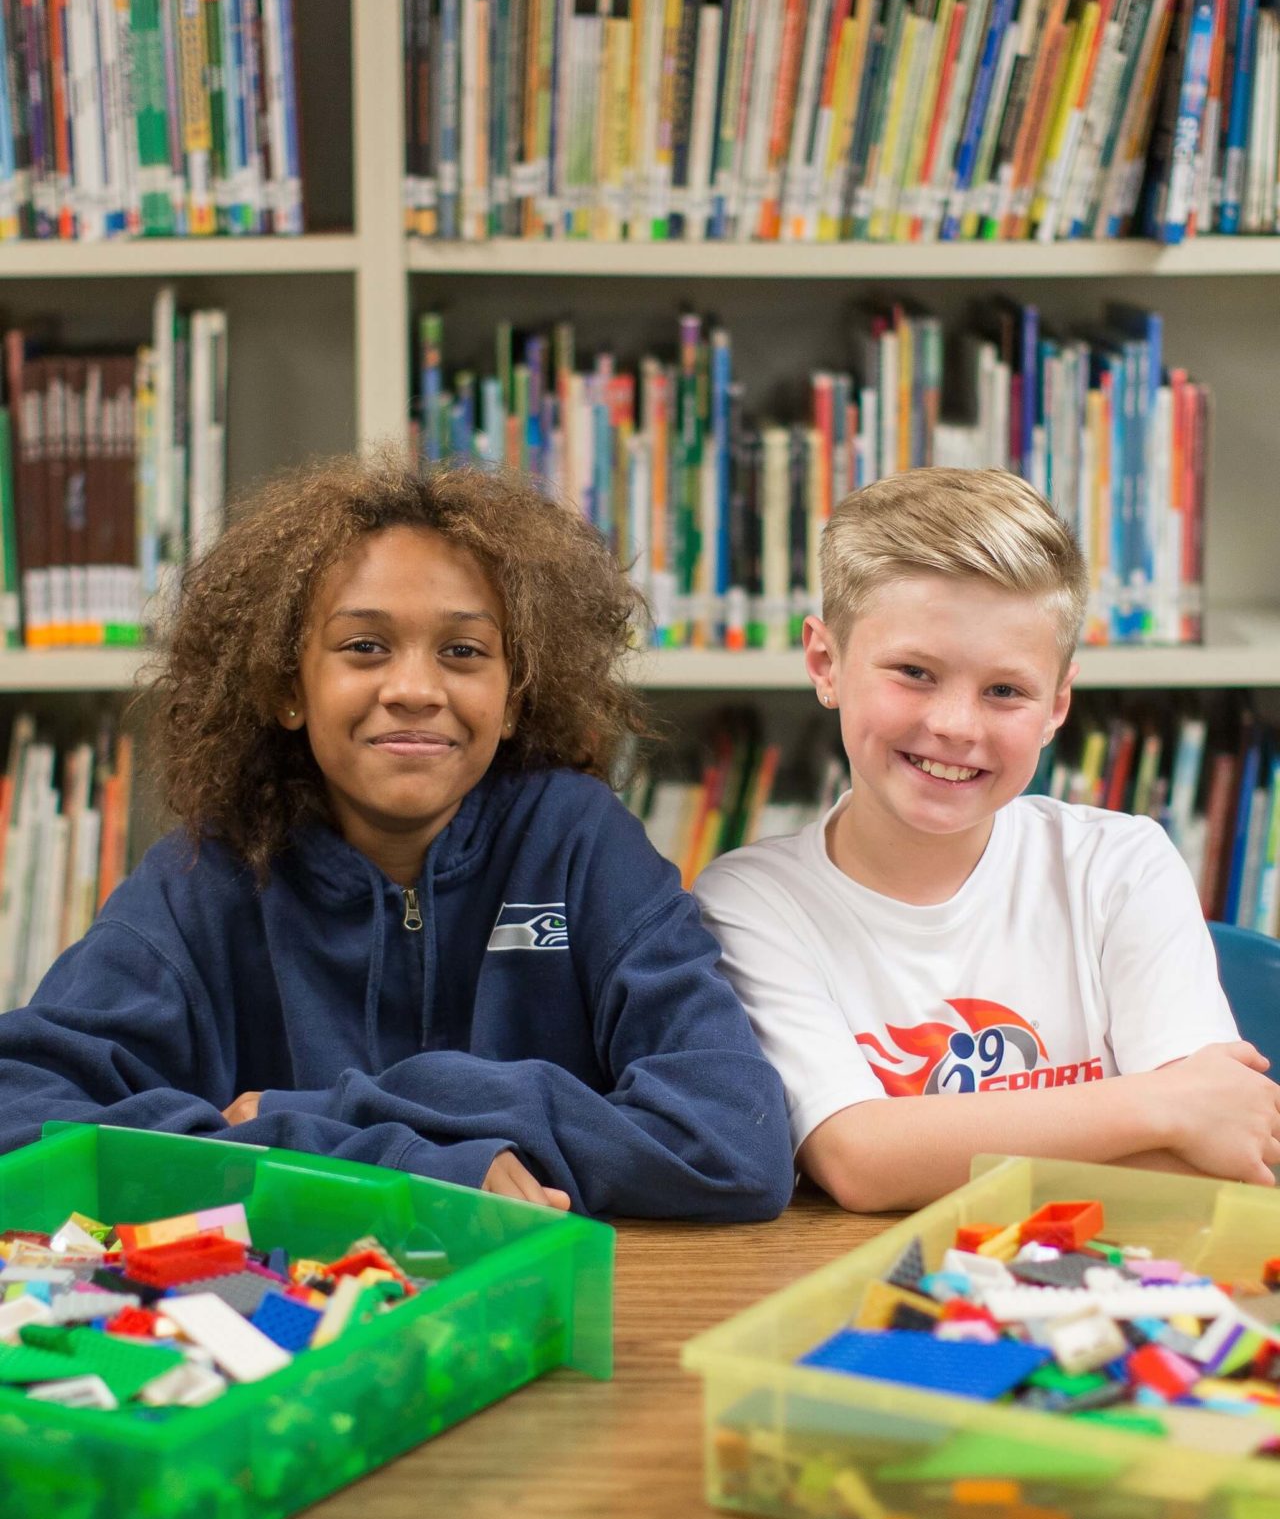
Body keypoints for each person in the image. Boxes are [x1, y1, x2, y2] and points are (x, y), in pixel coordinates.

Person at [0, 456, 793, 1222]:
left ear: (514, 696)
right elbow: (20, 1110)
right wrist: (383, 1157)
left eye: (464, 652)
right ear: (287, 689)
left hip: (545, 1302)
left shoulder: (579, 841)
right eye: (364, 647)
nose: (414, 689)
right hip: (297, 1323)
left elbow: (733, 1138)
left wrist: (348, 1106)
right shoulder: (207, 875)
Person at [695, 467, 1280, 1213]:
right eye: (914, 672)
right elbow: (860, 1159)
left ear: (1058, 703)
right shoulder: (752, 902)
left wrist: (927, 1153)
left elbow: (1213, 1154)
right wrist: (1156, 1107)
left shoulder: (1120, 865)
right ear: (825, 663)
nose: (957, 726)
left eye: (1005, 690)